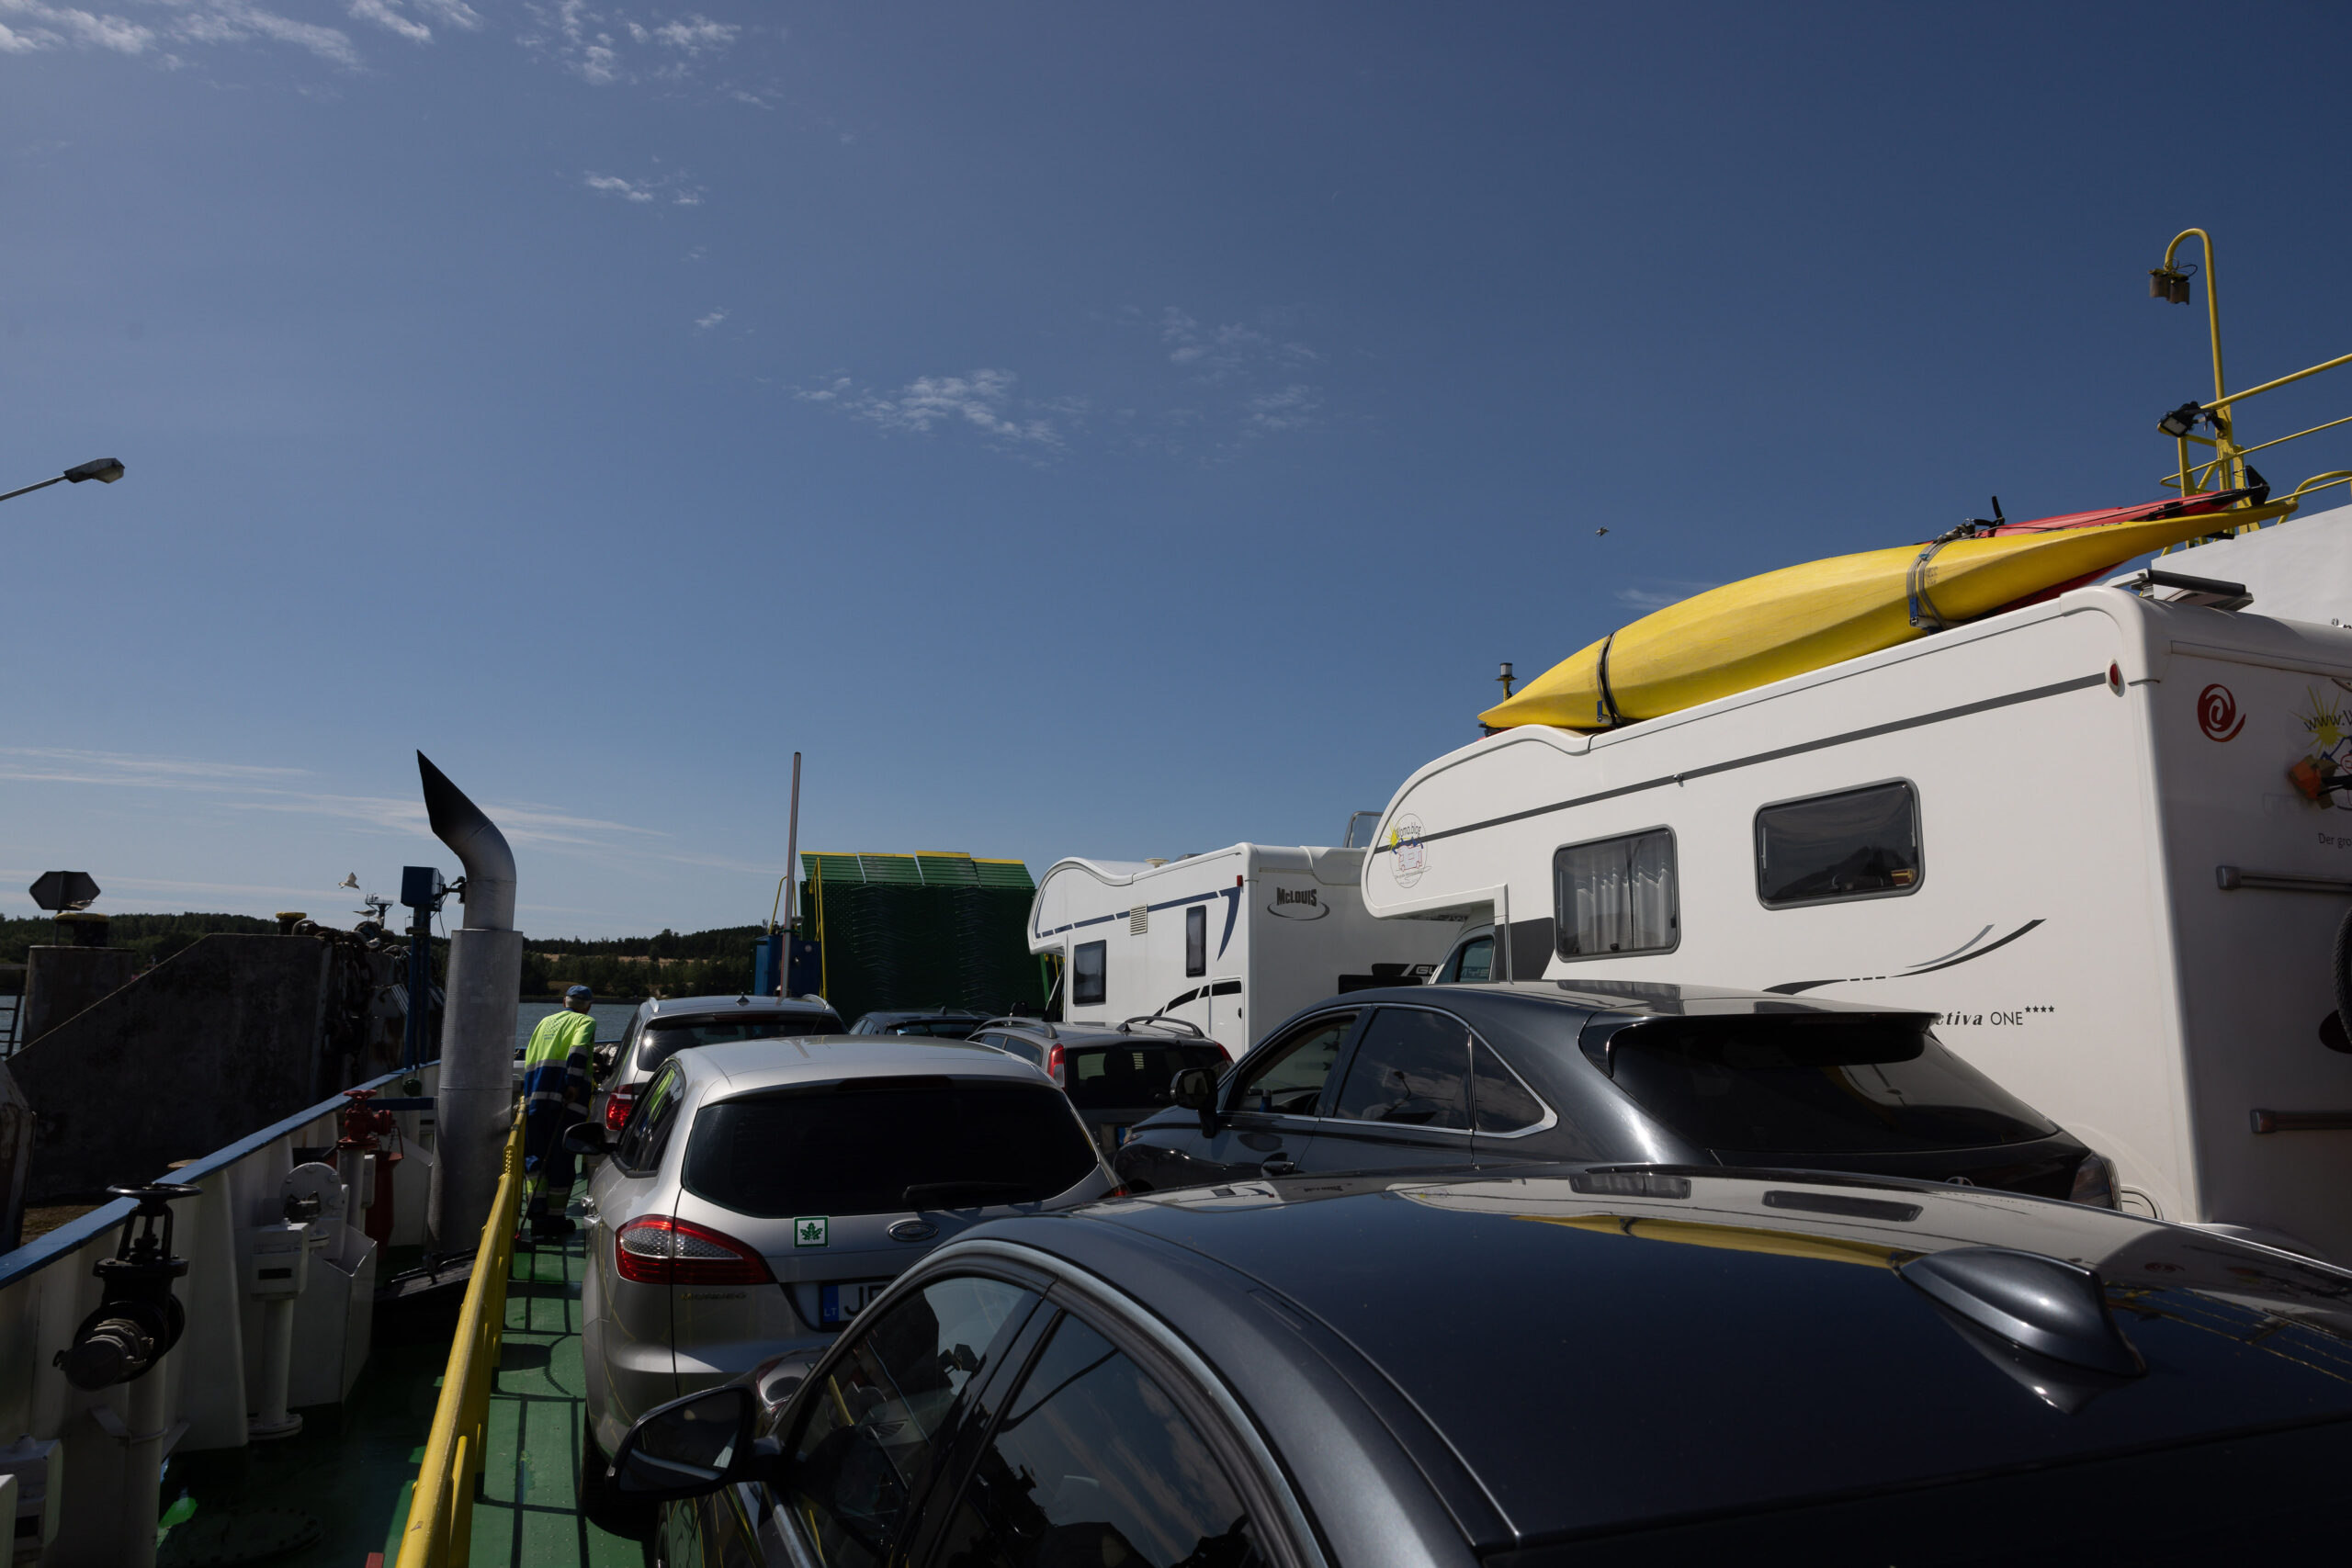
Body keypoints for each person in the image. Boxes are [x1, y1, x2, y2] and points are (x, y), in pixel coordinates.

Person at [522, 984, 597, 1241]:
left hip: (535, 1098)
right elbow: (578, 1051)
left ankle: (536, 1214)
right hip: (565, 1101)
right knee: (562, 1158)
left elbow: (531, 1057)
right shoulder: (585, 1022)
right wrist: (573, 1084)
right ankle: (554, 1219)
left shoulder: (544, 1022)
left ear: (563, 1002)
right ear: (588, 1007)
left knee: (535, 1156)